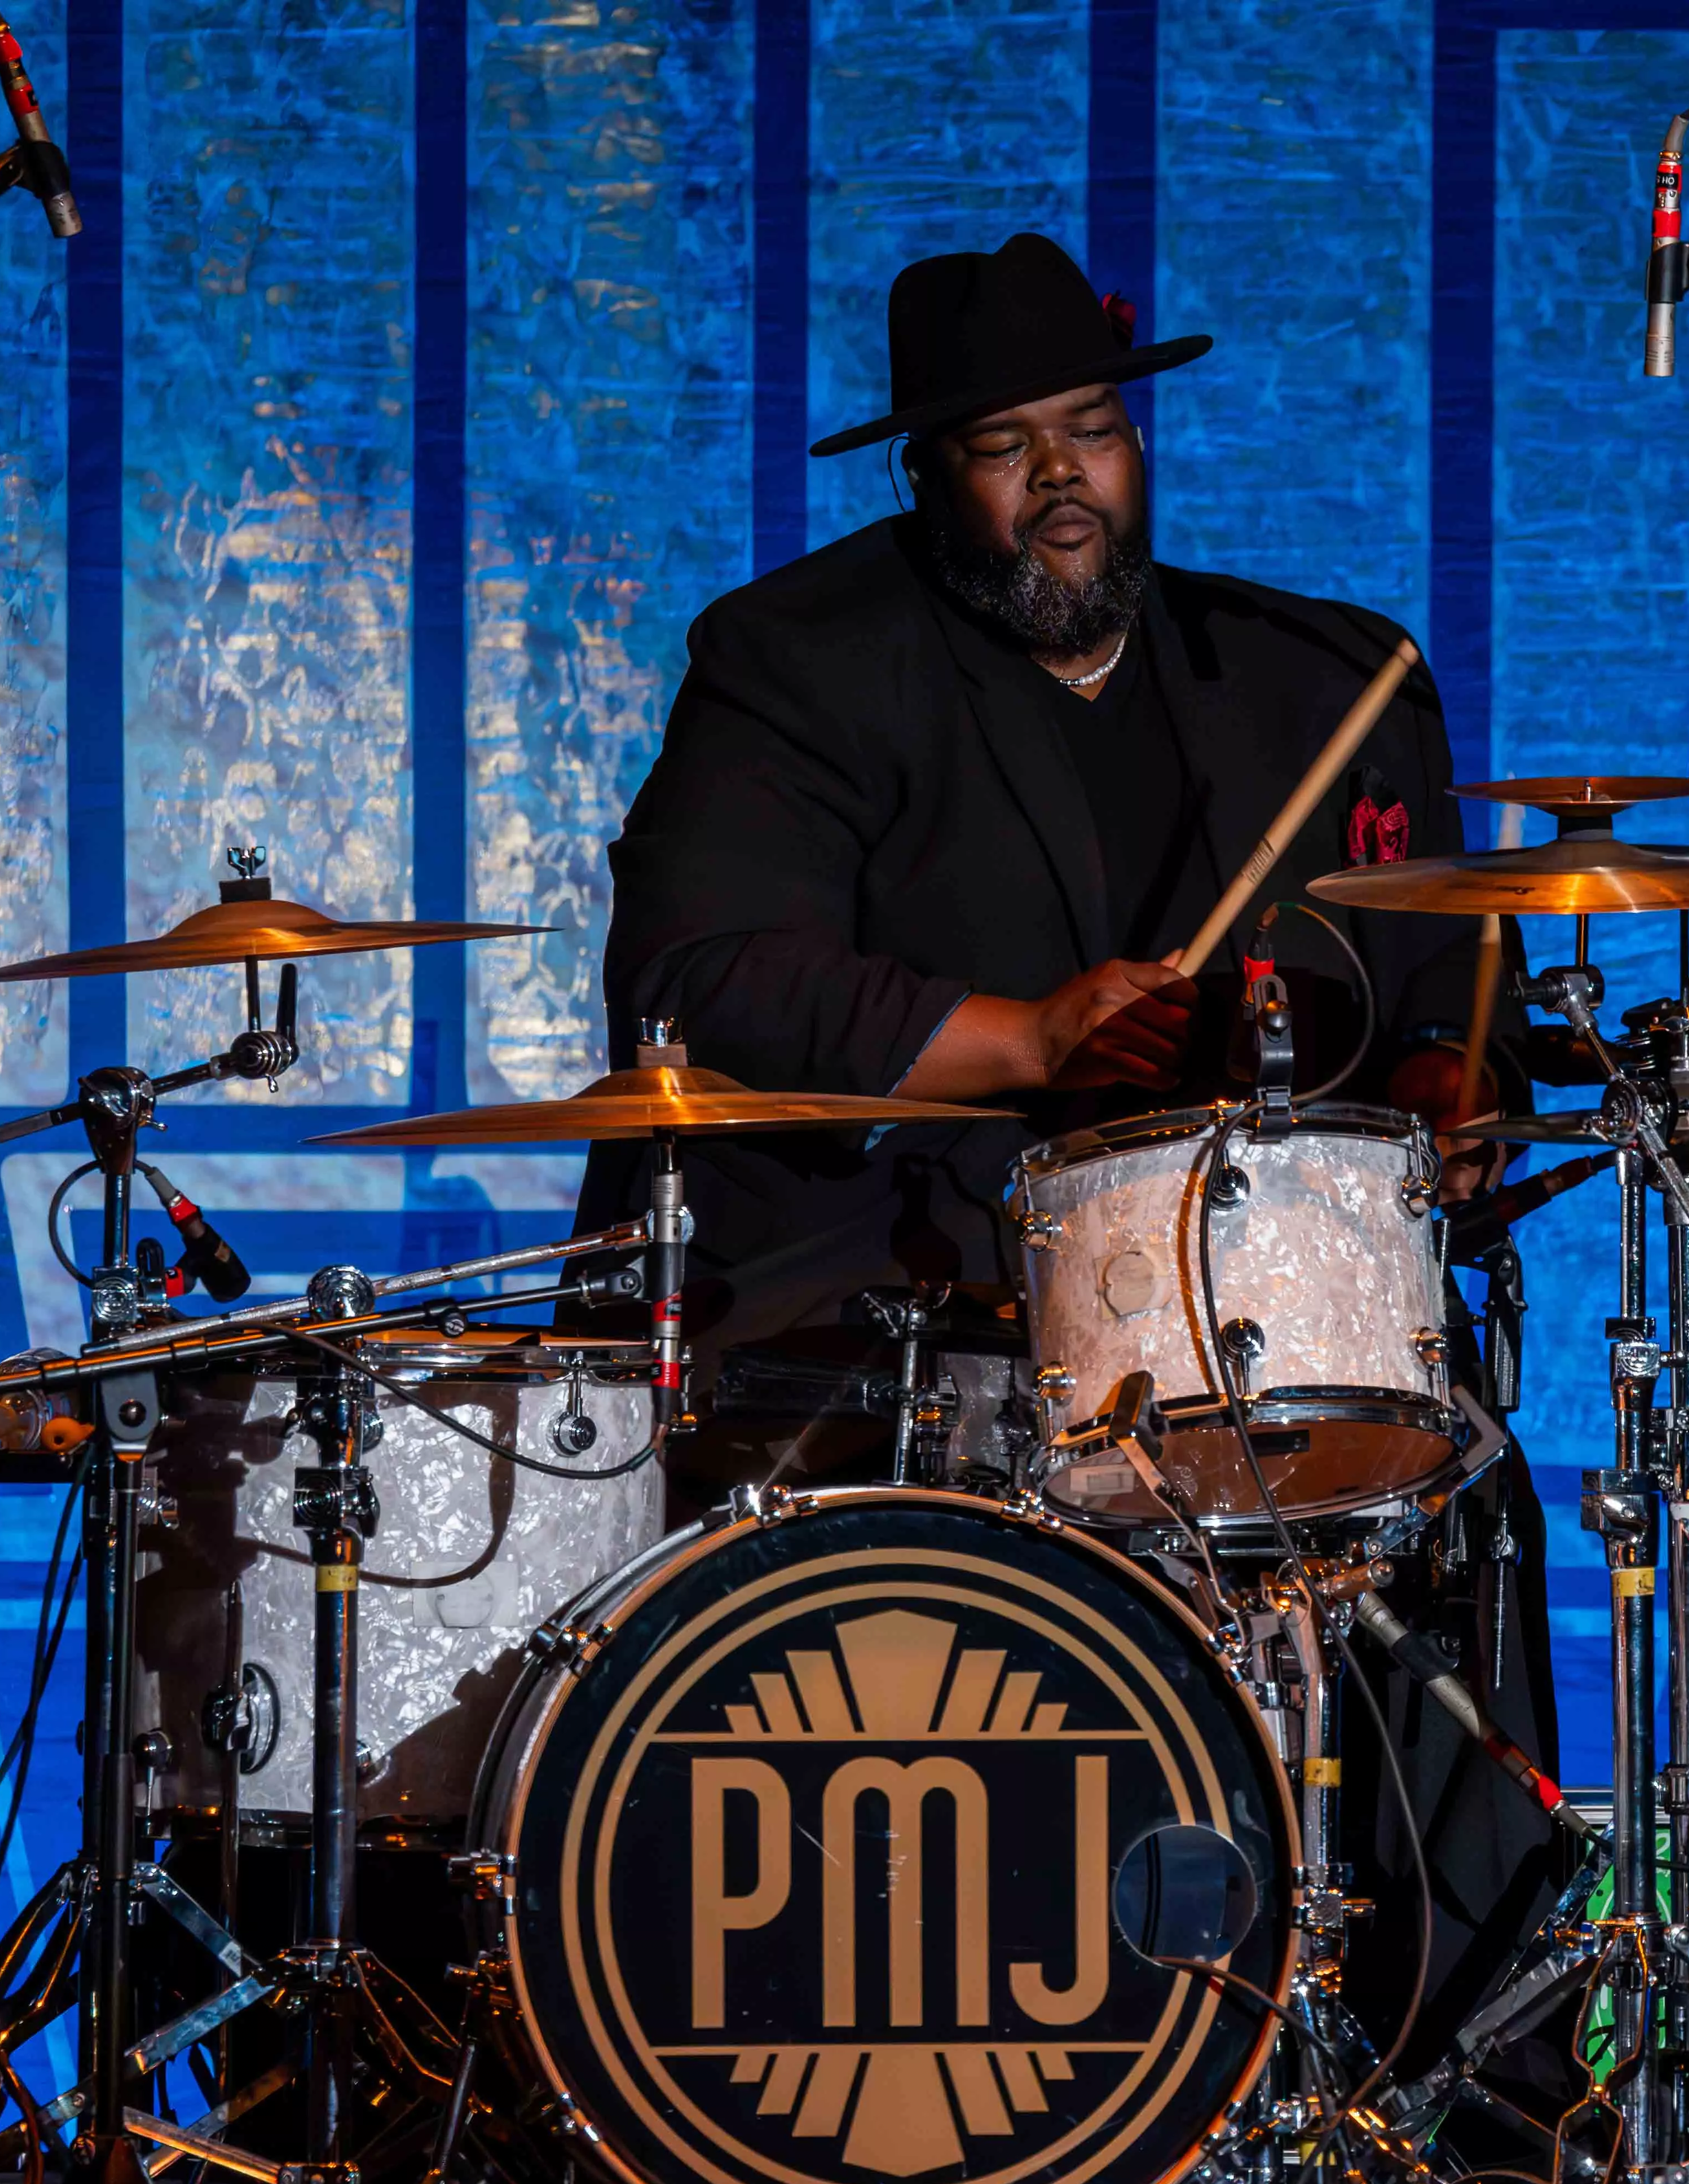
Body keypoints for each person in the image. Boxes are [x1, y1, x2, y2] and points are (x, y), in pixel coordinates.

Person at [575, 232, 1562, 2026]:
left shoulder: (1313, 677)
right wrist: (1028, 1038)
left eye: (1092, 432)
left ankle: (1444, 2051)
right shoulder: (797, 660)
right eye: (1005, 446)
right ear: (929, 471)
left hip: (1241, 1322)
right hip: (902, 1299)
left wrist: (1446, 1092)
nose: (1060, 486)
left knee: (1448, 1472)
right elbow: (704, 970)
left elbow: (1443, 997)